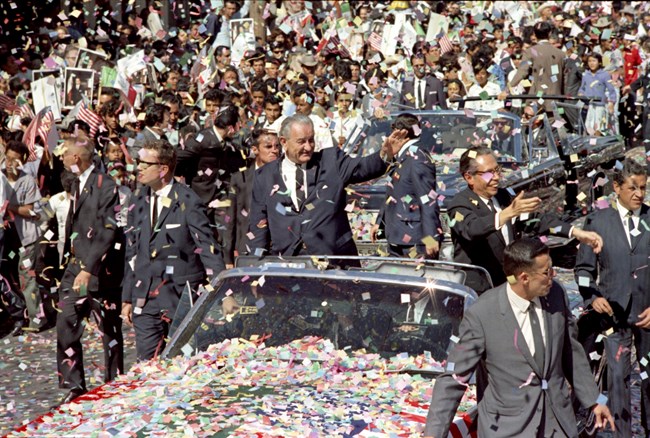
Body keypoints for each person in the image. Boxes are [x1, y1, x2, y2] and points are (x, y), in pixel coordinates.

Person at [423, 238, 615, 437]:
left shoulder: (556, 294)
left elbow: (570, 351)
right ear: (524, 277)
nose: (553, 275)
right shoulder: (483, 313)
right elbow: (453, 379)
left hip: (557, 423)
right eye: (546, 271)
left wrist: (594, 400)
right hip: (508, 427)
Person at [121, 139, 225, 361]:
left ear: (163, 169)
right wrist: (128, 297)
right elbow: (132, 252)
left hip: (179, 298)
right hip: (145, 298)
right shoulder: (137, 200)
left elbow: (207, 247)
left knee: (182, 362)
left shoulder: (188, 200)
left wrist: (220, 291)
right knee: (147, 363)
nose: (138, 167)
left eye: (144, 163)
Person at [447, 147, 603, 293]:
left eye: (497, 171)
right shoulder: (460, 204)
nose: (496, 178)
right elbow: (471, 229)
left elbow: (536, 221)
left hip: (508, 284)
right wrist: (507, 213)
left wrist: (575, 232)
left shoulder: (502, 197)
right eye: (488, 174)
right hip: (480, 289)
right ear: (469, 177)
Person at [248, 114, 395, 258]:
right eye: (301, 142)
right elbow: (259, 222)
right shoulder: (264, 175)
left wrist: (384, 155)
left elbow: (363, 167)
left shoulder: (331, 161)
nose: (308, 147)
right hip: (288, 260)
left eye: (311, 140)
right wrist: (256, 261)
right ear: (284, 142)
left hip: (333, 259)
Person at [575, 159, 650, 437]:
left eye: (643, 188)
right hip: (612, 316)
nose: (639, 194)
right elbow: (583, 270)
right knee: (617, 380)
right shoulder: (598, 221)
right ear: (616, 187)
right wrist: (591, 297)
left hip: (646, 315)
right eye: (633, 188)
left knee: (648, 378)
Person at [56, 136, 123, 404]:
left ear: (77, 158)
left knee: (109, 330)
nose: (61, 158)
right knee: (66, 324)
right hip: (73, 268)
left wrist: (89, 268)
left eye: (65, 154)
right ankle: (74, 386)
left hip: (99, 272)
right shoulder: (74, 182)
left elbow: (109, 231)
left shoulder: (105, 185)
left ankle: (114, 384)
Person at [371, 113, 441, 259]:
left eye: (393, 130)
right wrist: (380, 223)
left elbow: (428, 199)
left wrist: (430, 237)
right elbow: (393, 191)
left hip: (415, 240)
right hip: (396, 235)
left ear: (402, 133)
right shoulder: (400, 156)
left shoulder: (418, 158)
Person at [3, 140, 44, 333]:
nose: (11, 164)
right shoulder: (1, 177)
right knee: (9, 278)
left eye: (16, 160)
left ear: (24, 161)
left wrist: (6, 206)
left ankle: (37, 318)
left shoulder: (27, 180)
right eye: (8, 158)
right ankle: (17, 314)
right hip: (6, 238)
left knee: (27, 277)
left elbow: (30, 210)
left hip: (25, 237)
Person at [224, 129, 280, 267]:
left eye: (277, 146)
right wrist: (228, 257)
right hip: (247, 250)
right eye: (268, 147)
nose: (274, 151)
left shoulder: (285, 176)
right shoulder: (240, 179)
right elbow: (230, 220)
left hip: (278, 251)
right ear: (255, 149)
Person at [509, 21, 565, 111]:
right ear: (550, 33)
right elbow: (566, 80)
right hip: (556, 102)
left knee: (533, 124)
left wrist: (507, 89)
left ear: (534, 34)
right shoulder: (561, 54)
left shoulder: (530, 52)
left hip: (535, 102)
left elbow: (522, 72)